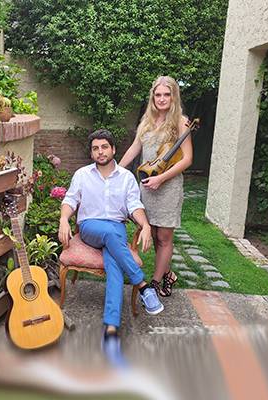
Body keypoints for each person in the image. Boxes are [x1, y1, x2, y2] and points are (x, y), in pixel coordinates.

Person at [58, 128, 163, 364]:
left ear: (113, 149)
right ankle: (142, 284)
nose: (100, 152)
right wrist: (64, 219)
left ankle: (111, 330)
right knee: (109, 234)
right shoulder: (82, 175)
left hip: (116, 229)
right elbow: (70, 200)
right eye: (95, 148)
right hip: (90, 227)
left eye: (104, 147)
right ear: (91, 153)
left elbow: (134, 205)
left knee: (114, 266)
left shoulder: (126, 178)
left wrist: (145, 225)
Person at [119, 76, 193, 297]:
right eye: (158, 95)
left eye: (166, 95)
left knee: (163, 237)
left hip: (168, 187)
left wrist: (161, 179)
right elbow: (134, 148)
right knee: (148, 230)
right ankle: (168, 274)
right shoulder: (147, 121)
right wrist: (116, 171)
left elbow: (187, 159)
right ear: (153, 97)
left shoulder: (181, 122)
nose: (161, 99)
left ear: (173, 97)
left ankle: (155, 282)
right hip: (146, 185)